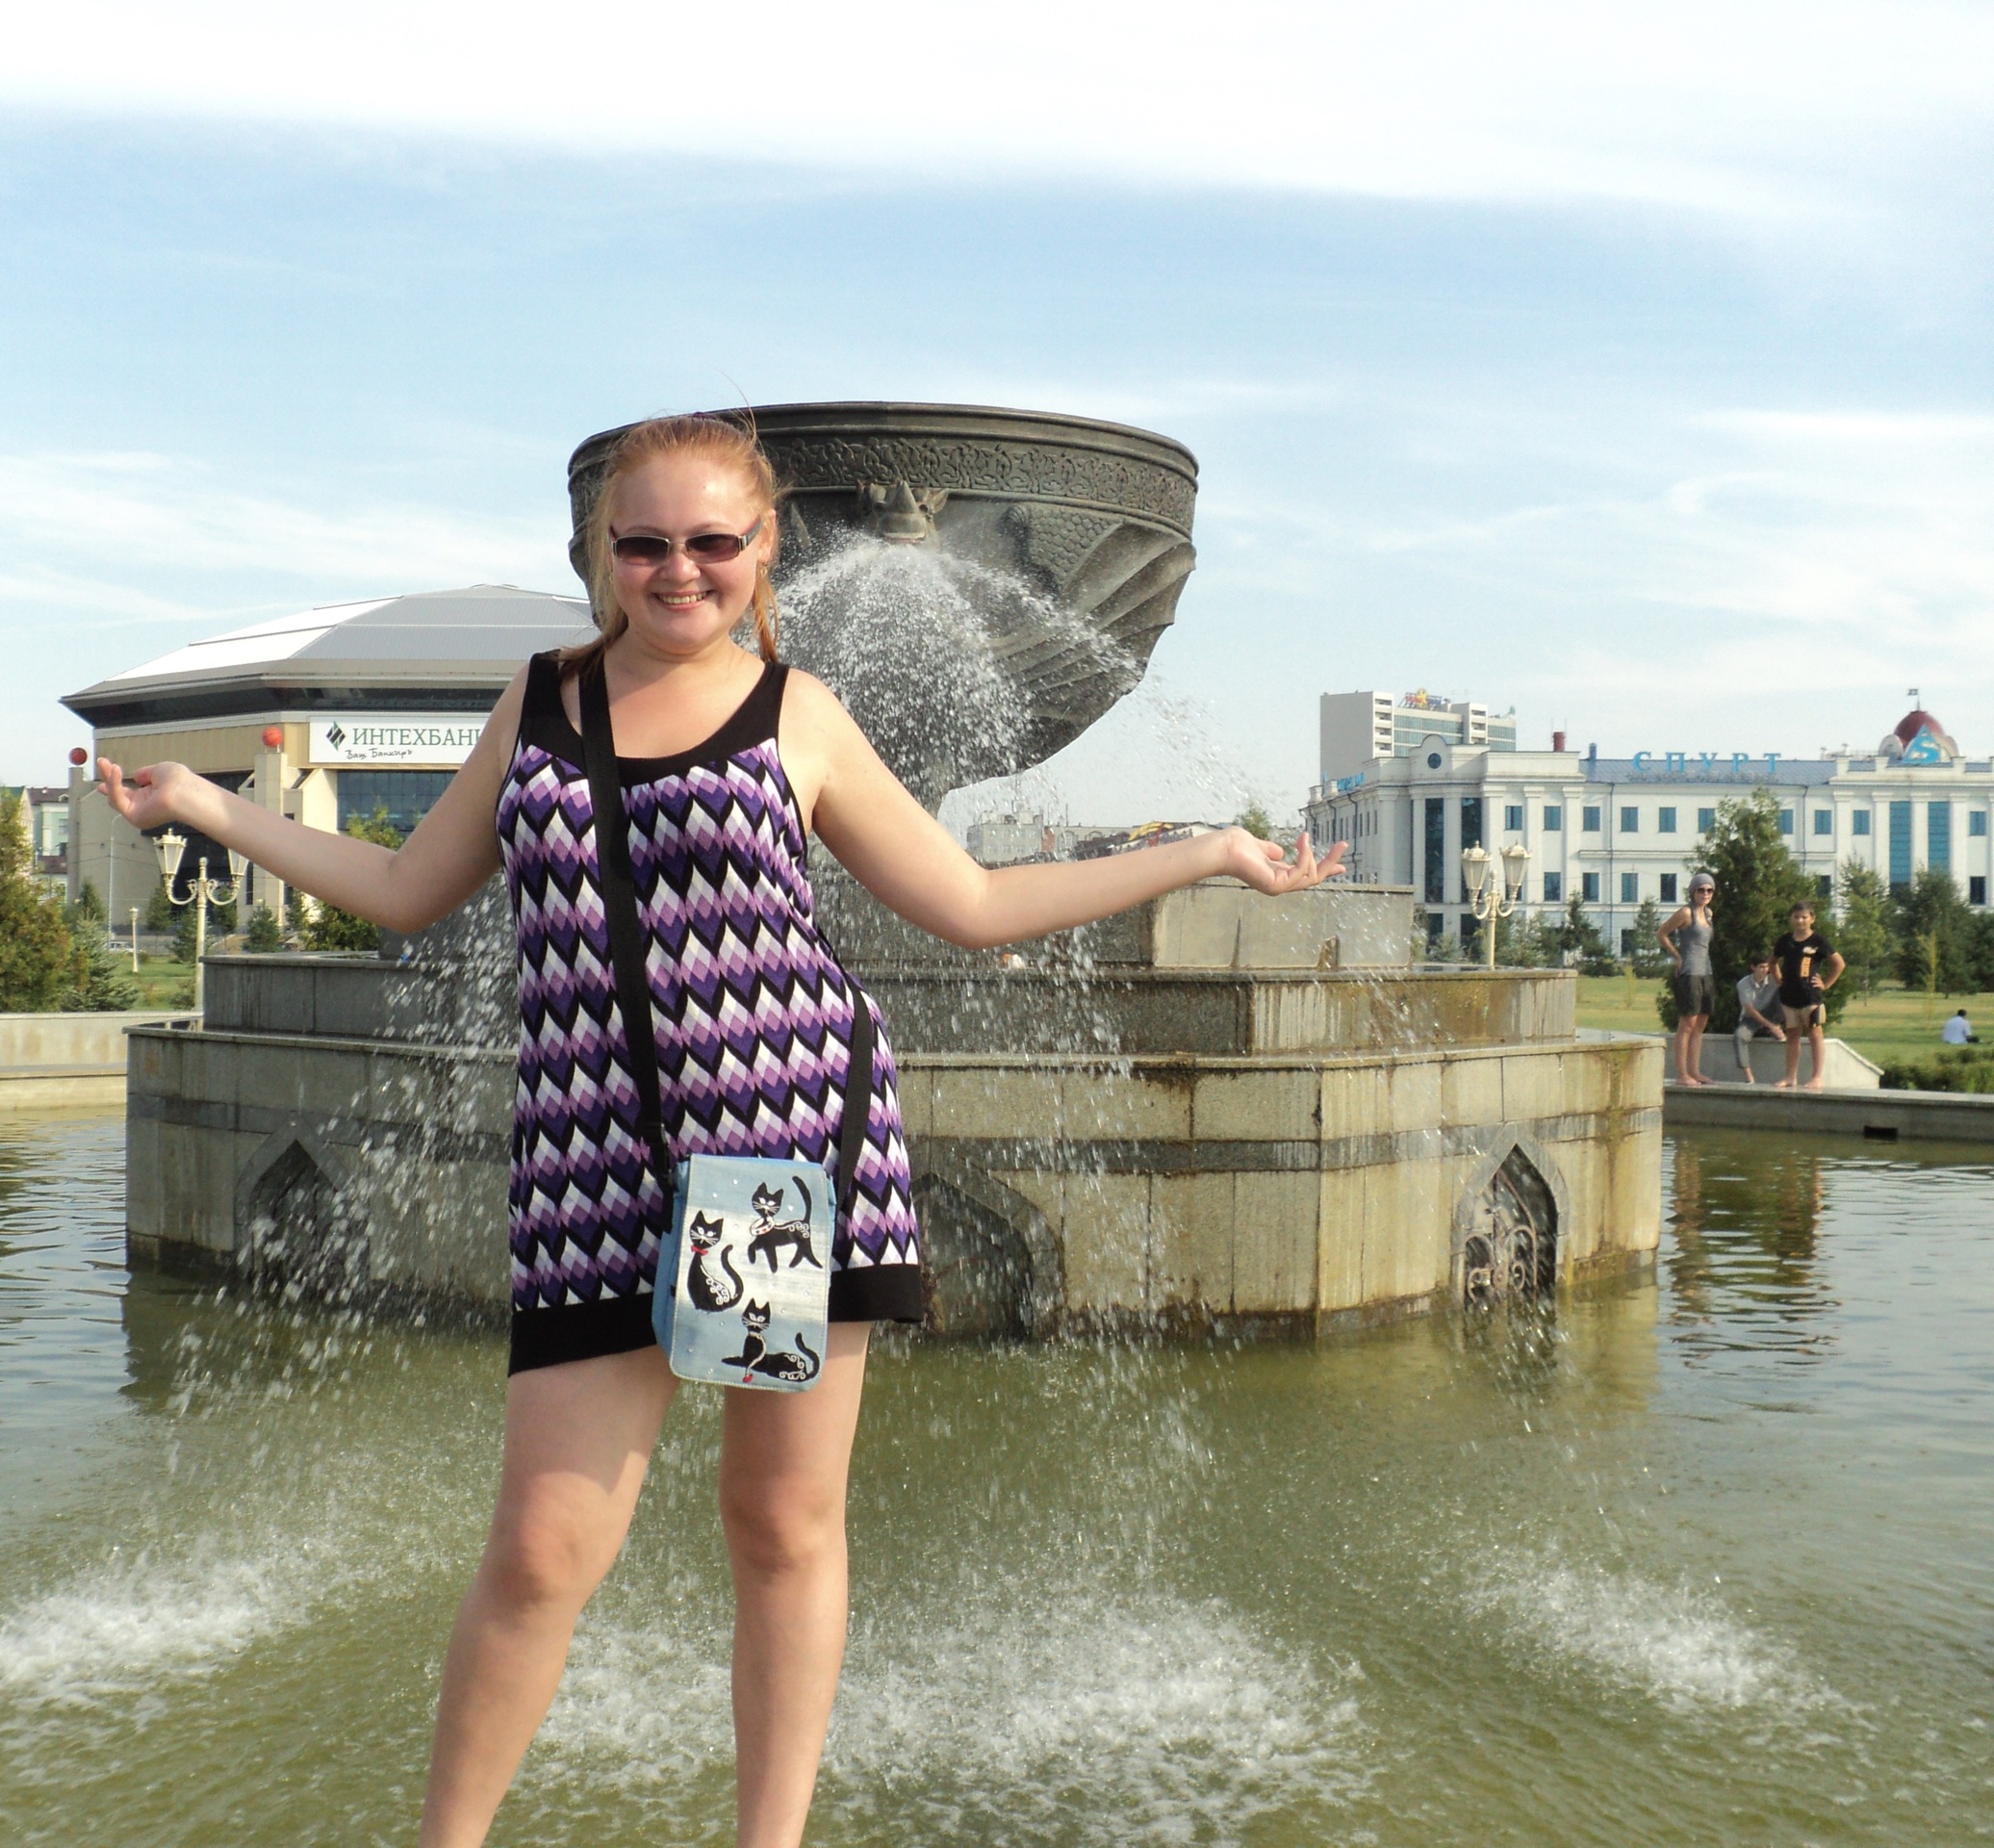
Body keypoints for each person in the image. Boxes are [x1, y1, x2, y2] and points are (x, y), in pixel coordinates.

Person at [92, 413, 1345, 1848]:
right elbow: (403, 889)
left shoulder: (795, 712)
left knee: (779, 1525)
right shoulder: (539, 700)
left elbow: (973, 904)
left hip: (779, 1158)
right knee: (542, 1549)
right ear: (602, 551)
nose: (677, 570)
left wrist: (1207, 851)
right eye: (644, 543)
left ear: (762, 551)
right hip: (587, 1167)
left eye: (711, 542)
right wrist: (203, 803)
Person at [1772, 900, 1844, 1091]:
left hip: (1810, 996)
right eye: (1796, 917)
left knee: (1814, 1033)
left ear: (1812, 919)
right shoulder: (1785, 940)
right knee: (1792, 1035)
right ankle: (1790, 1077)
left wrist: (1826, 984)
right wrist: (1779, 980)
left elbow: (1839, 964)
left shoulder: (1818, 941)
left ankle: (1817, 1077)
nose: (1800, 921)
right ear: (1791, 919)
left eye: (1804, 917)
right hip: (1789, 996)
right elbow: (1772, 962)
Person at [1656, 871, 1718, 1085]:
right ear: (1693, 891)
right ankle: (1682, 1074)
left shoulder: (1708, 914)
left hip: (1706, 971)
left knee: (1701, 1023)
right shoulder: (1685, 913)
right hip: (1689, 972)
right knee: (1687, 1024)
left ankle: (1694, 1071)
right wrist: (1677, 956)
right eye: (1701, 890)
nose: (1705, 893)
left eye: (1709, 890)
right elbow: (1662, 933)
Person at [1732, 949, 1788, 1083]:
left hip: (1771, 1015)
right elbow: (1749, 1010)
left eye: (1767, 967)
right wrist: (1771, 1026)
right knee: (1739, 1036)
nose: (1765, 970)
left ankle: (1778, 1028)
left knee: (1784, 993)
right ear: (1753, 967)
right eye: (1761, 967)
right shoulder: (1743, 984)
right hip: (1751, 1018)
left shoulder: (1773, 980)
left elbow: (1783, 984)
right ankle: (1749, 1076)